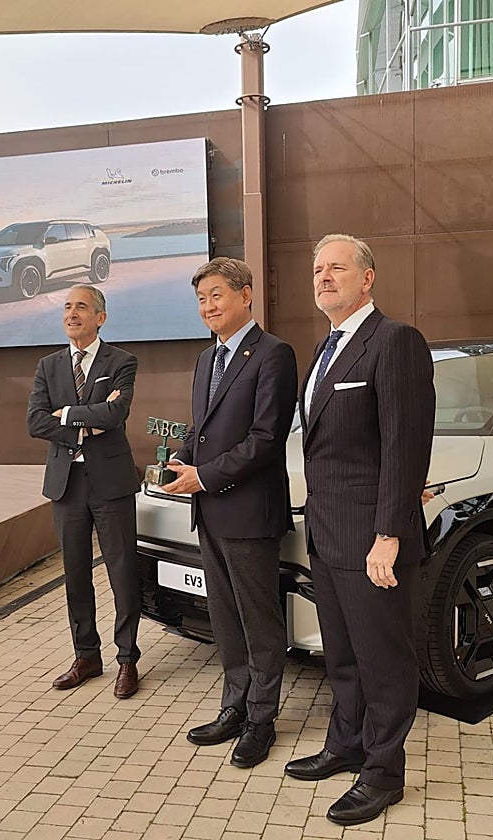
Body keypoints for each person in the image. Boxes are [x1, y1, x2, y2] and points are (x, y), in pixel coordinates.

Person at [284, 234, 434, 826]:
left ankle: (383, 772)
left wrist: (390, 533)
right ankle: (345, 744)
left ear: (367, 278)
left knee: (384, 660)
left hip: (374, 540)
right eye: (317, 269)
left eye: (337, 268)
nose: (323, 277)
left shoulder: (394, 341)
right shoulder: (324, 351)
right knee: (342, 657)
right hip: (327, 535)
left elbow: (405, 445)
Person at [160, 257, 298, 768]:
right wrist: (184, 462)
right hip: (210, 512)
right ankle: (233, 707)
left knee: (259, 620)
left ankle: (262, 721)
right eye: (201, 299)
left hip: (249, 511)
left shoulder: (273, 355)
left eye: (217, 295)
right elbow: (203, 428)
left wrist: (207, 475)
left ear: (246, 295)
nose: (208, 307)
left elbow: (266, 439)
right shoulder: (205, 360)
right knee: (225, 617)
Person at [27, 284, 142, 700]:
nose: (72, 313)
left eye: (81, 307)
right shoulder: (48, 366)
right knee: (75, 574)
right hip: (66, 484)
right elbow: (36, 421)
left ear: (100, 317)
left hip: (110, 484)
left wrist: (70, 414)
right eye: (67, 307)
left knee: (122, 572)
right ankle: (86, 656)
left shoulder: (122, 361)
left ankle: (127, 659)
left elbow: (116, 413)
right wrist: (87, 423)